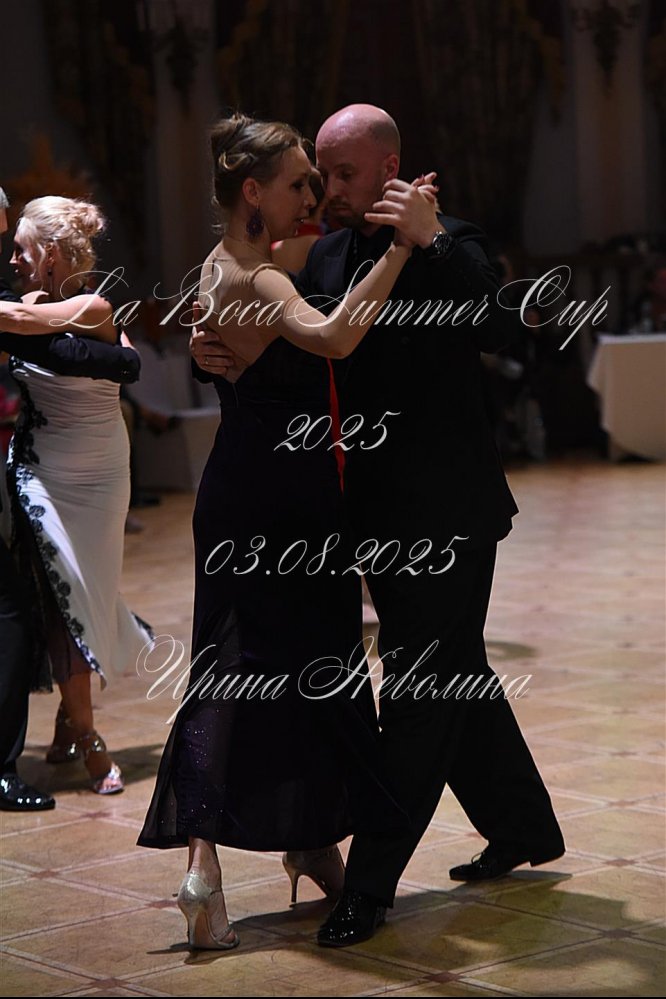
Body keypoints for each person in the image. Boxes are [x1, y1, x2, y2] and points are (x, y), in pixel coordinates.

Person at [193, 104, 565, 948]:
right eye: (320, 174)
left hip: (449, 514)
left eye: (345, 173)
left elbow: (508, 327)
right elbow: (252, 304)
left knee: (419, 687)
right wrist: (206, 347)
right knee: (453, 668)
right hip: (368, 517)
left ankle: (369, 884)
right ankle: (524, 825)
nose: (328, 189)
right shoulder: (325, 253)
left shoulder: (453, 243)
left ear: (391, 168)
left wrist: (428, 240)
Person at [137, 112, 430, 951]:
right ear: (253, 191)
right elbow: (335, 336)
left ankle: (261, 855)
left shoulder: (222, 264)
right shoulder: (261, 280)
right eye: (299, 183)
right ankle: (254, 855)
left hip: (239, 493)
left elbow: (278, 290)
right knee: (308, 668)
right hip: (285, 505)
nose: (310, 196)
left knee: (237, 670)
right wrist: (402, 249)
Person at [0, 195, 153, 797]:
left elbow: (22, 325)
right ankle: (89, 739)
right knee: (61, 596)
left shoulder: (94, 305)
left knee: (89, 594)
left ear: (51, 254)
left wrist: (22, 312)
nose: (13, 260)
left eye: (21, 250)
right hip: (42, 471)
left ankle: (69, 719)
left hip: (102, 473)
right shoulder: (28, 303)